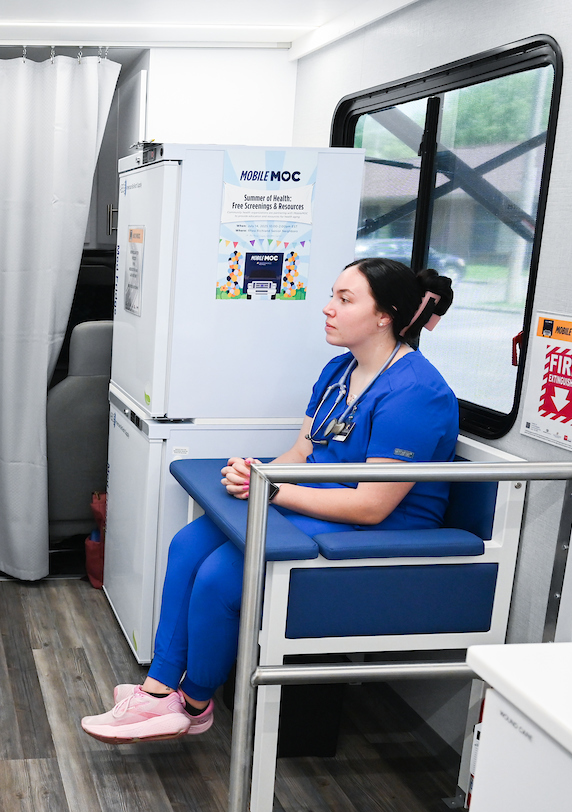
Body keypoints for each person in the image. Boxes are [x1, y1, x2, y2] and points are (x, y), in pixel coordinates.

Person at [81, 257, 457, 744]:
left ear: (385, 315)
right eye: (332, 295)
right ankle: (158, 690)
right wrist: (256, 475)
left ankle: (194, 703)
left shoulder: (416, 392)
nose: (328, 308)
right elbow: (302, 452)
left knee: (221, 574)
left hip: (380, 526)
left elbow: (372, 506)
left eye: (345, 300)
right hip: (317, 499)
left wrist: (275, 491)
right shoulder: (340, 369)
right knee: (188, 544)